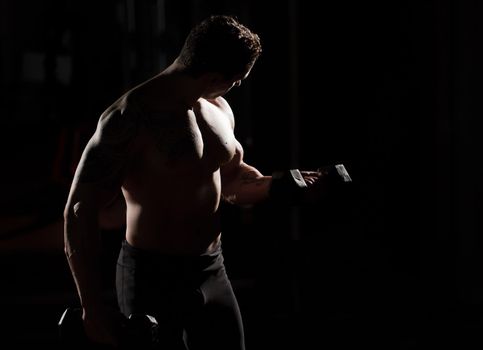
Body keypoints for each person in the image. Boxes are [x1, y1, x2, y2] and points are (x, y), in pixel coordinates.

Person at [63, 14, 323, 349]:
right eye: (237, 79)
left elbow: (232, 181)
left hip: (212, 270)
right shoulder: (128, 118)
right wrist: (91, 308)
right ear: (215, 76)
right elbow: (79, 211)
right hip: (150, 277)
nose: (238, 85)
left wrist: (285, 184)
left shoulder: (218, 108)